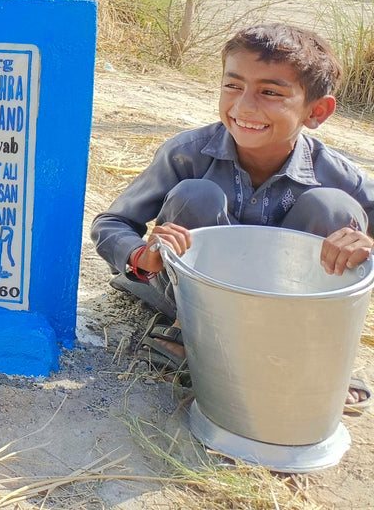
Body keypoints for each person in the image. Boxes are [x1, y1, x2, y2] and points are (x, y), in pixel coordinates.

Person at [92, 22, 374, 405]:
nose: (244, 106)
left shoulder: (334, 172)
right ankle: (189, 335)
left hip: (285, 307)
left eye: (270, 92)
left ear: (317, 111)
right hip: (189, 300)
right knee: (197, 195)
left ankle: (299, 348)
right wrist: (143, 256)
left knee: (335, 209)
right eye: (233, 85)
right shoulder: (187, 153)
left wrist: (364, 241)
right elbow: (112, 224)